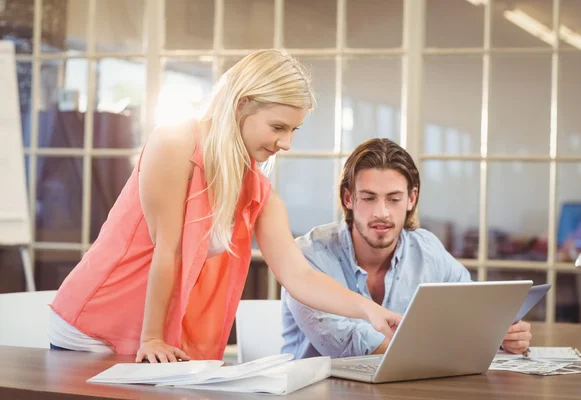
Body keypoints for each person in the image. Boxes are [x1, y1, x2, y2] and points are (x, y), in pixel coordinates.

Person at [48, 50, 402, 363]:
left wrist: (368, 310)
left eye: (294, 130)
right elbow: (167, 250)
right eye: (278, 127)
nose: (287, 143)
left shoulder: (258, 192)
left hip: (151, 344)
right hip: (96, 327)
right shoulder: (175, 143)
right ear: (241, 104)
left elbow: (300, 276)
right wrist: (153, 336)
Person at [281, 138, 532, 359]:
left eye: (394, 199)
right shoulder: (307, 257)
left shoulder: (428, 250)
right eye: (369, 198)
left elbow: (475, 313)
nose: (382, 213)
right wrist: (460, 342)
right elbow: (342, 343)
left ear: (411, 199)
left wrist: (501, 333)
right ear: (349, 199)